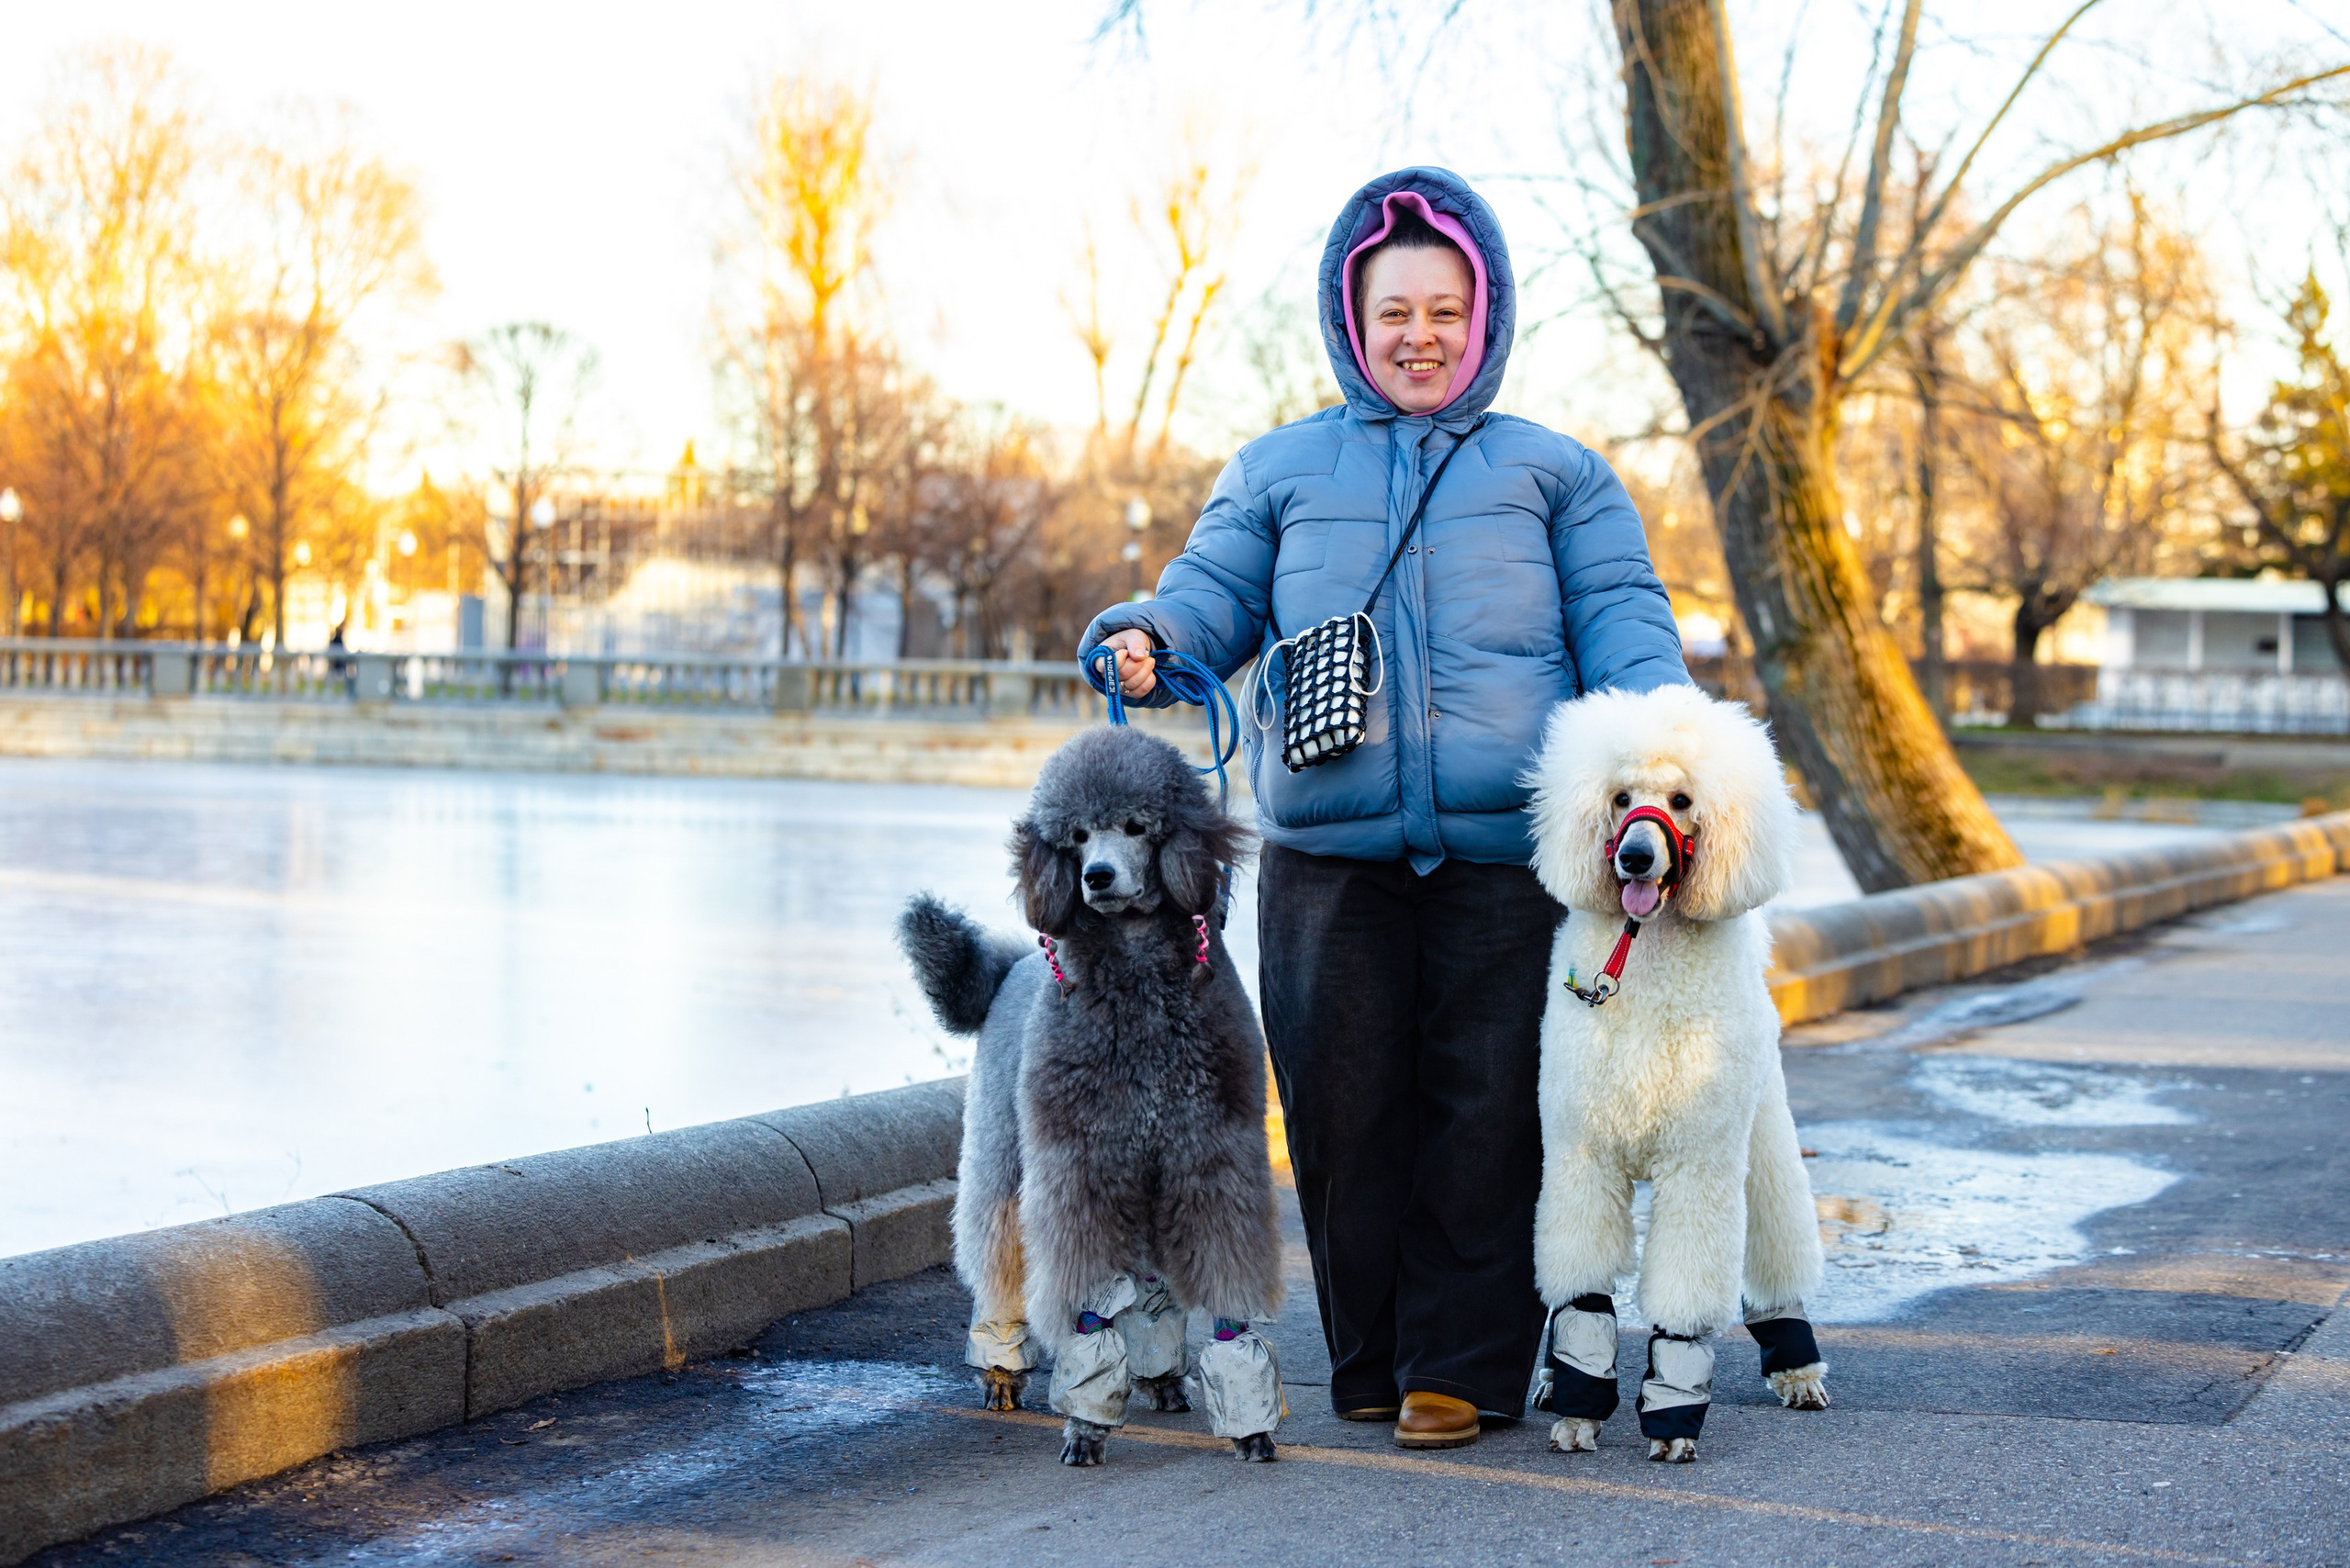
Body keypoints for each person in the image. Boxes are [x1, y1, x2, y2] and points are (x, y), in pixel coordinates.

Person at [1080, 167, 1690, 1450]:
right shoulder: (1280, 469)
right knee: (1340, 1116)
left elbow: (1626, 626)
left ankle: (1460, 1368)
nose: (1421, 336)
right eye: (1395, 312)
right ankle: (1368, 1360)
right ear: (1351, 321)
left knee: (1492, 1117)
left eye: (1445, 312)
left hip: (1510, 856)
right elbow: (1208, 597)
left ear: (1488, 317)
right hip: (1329, 860)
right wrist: (1147, 637)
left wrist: (1667, 750)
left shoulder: (1559, 475)